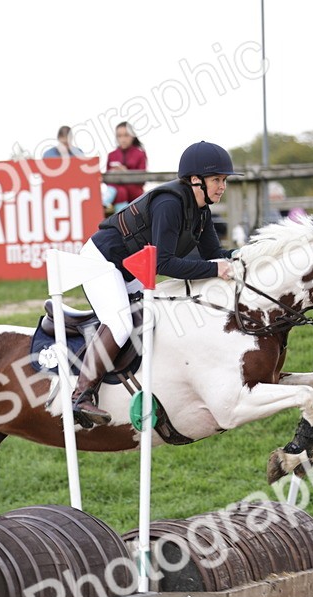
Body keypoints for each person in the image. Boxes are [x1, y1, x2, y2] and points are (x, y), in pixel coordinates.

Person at [70, 140, 239, 426]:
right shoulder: (169, 204)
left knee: (155, 318)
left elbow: (216, 256)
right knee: (121, 323)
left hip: (130, 267)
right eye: (216, 180)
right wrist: (215, 269)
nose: (222, 186)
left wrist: (247, 257)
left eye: (223, 180)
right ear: (195, 180)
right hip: (102, 260)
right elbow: (164, 264)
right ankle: (80, 396)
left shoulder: (202, 212)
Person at [102, 122, 147, 212]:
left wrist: (126, 173)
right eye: (119, 136)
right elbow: (107, 180)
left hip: (134, 192)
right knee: (121, 191)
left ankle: (104, 202)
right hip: (118, 192)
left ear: (132, 136)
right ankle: (124, 216)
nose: (123, 139)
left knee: (119, 190)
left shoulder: (140, 154)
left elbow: (142, 180)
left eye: (126, 135)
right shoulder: (112, 155)